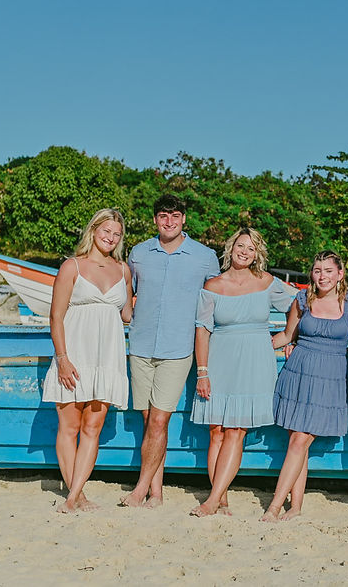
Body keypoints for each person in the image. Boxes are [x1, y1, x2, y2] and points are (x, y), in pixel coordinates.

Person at [120, 195, 220, 508]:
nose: (169, 221)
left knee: (159, 422)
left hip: (178, 350)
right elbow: (126, 296)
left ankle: (140, 490)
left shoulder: (205, 257)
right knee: (149, 421)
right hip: (140, 346)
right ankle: (157, 493)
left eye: (175, 215)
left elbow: (215, 304)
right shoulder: (138, 253)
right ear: (155, 220)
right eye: (163, 216)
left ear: (184, 219)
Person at [189, 227, 295, 516]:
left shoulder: (267, 282)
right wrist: (202, 372)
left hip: (254, 361)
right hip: (219, 360)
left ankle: (211, 500)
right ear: (231, 247)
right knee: (216, 431)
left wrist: (287, 336)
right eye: (240, 245)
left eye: (251, 248)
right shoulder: (212, 285)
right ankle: (220, 499)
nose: (244, 251)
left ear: (256, 253)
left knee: (236, 430)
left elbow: (298, 305)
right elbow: (202, 331)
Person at [41, 208, 132, 513]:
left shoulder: (123, 270)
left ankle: (74, 494)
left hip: (107, 357)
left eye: (117, 234)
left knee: (93, 427)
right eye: (106, 231)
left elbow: (126, 313)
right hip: (74, 354)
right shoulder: (72, 267)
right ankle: (75, 496)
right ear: (93, 230)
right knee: (69, 426)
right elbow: (56, 316)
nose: (111, 237)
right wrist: (62, 359)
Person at [260, 251, 348, 522]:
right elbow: (287, 336)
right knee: (296, 442)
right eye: (317, 270)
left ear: (340, 274)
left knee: (300, 441)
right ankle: (295, 506)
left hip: (329, 378)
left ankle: (274, 507)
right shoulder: (303, 300)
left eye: (327, 270)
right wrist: (254, 346)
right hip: (299, 372)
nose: (322, 276)